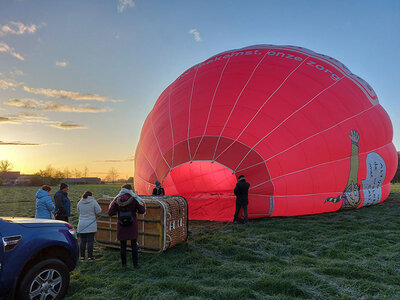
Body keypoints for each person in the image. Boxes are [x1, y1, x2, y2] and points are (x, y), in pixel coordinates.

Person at [108, 184, 146, 268]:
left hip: (121, 226)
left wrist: (118, 211)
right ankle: (135, 265)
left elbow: (110, 213)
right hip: (132, 225)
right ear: (130, 190)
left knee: (123, 246)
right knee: (134, 245)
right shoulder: (134, 199)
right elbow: (142, 211)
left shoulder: (117, 200)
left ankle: (124, 265)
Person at [77, 191, 101, 261]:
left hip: (82, 224)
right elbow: (99, 211)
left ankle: (82, 257)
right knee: (90, 241)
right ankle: (90, 257)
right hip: (91, 223)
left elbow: (78, 210)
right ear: (91, 195)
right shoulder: (93, 202)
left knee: (82, 241)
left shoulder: (80, 202)